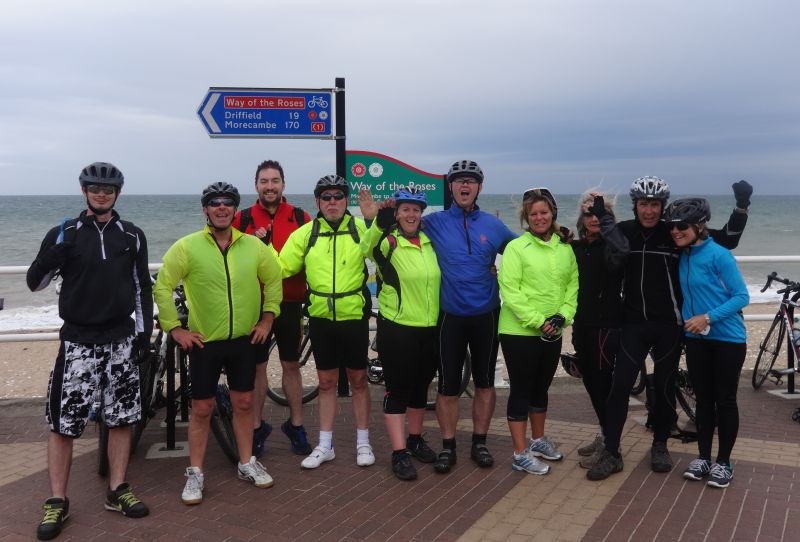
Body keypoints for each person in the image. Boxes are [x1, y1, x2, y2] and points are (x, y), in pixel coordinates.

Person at [587, 177, 752, 481]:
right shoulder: (624, 230)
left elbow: (725, 240)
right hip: (633, 323)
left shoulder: (674, 232)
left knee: (663, 390)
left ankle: (660, 444)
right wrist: (594, 216)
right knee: (619, 386)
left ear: (662, 207)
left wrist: (741, 207)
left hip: (670, 326)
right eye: (643, 204)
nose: (649, 211)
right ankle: (611, 451)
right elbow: (594, 242)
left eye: (654, 205)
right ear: (635, 205)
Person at [26, 162, 152, 540]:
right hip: (78, 341)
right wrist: (54, 254)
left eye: (108, 189)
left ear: (117, 193)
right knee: (63, 424)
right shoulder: (65, 232)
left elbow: (141, 285)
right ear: (84, 190)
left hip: (120, 341)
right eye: (95, 187)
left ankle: (117, 490)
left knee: (121, 419)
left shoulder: (132, 235)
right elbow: (35, 283)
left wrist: (142, 337)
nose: (101, 193)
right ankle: (57, 500)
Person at [154, 181, 283, 505]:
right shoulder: (187, 246)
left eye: (227, 203)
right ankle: (195, 473)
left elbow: (274, 278)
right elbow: (163, 286)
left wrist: (268, 318)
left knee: (243, 403)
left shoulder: (253, 247)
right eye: (215, 203)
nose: (221, 207)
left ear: (235, 209)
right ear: (205, 210)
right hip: (205, 343)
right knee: (201, 408)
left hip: (243, 339)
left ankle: (246, 462)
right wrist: (174, 329)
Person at [422, 160, 517, 473]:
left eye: (471, 181)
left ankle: (480, 442)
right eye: (459, 181)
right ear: (450, 187)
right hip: (449, 315)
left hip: (486, 315)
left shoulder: (493, 225)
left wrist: (560, 239)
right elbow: (401, 230)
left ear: (479, 187)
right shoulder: (433, 222)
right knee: (448, 386)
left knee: (485, 383)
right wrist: (377, 217)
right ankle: (448, 446)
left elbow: (523, 255)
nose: (465, 186)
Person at [279, 175, 375, 469]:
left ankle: (363, 442)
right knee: (325, 382)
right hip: (321, 317)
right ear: (317, 202)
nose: (332, 201)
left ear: (347, 200)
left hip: (354, 315)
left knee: (359, 380)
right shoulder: (306, 234)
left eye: (338, 196)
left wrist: (373, 222)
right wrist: (255, 246)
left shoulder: (361, 229)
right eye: (326, 197)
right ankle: (325, 445)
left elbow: (382, 251)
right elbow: (280, 267)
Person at [665, 198, 749, 488]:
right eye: (672, 226)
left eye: (682, 226)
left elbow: (741, 296)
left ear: (700, 226)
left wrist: (707, 318)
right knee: (703, 400)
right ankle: (703, 458)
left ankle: (723, 462)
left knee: (724, 400)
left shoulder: (719, 255)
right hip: (697, 340)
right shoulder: (683, 255)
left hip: (728, 339)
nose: (675, 231)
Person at [232, 160, 313, 457]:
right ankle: (255, 427)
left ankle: (297, 425)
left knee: (292, 366)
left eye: (275, 181)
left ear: (283, 185)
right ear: (256, 185)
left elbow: (312, 258)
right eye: (264, 181)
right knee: (258, 368)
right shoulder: (240, 220)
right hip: (254, 305)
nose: (270, 186)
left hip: (290, 303)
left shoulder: (301, 217)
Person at [361, 188, 440, 480]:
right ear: (397, 213)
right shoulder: (387, 241)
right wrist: (378, 223)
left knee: (421, 388)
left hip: (429, 326)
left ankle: (415, 439)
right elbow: (364, 249)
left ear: (422, 214)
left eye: (416, 210)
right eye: (405, 209)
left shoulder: (431, 243)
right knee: (398, 390)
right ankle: (398, 452)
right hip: (397, 327)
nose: (411, 215)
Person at [498, 188, 578, 475]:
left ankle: (538, 440)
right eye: (533, 214)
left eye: (544, 212)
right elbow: (510, 290)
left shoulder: (565, 247)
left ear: (552, 213)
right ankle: (520, 454)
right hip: (518, 331)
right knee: (521, 390)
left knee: (541, 388)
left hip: (553, 330)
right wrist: (538, 320)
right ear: (525, 218)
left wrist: (563, 316)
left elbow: (572, 286)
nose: (539, 217)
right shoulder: (516, 248)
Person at [569, 189, 626, 469]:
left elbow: (622, 254)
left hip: (607, 327)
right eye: (589, 212)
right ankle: (605, 435)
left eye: (600, 213)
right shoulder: (577, 248)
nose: (594, 218)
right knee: (591, 383)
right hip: (582, 324)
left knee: (604, 387)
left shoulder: (614, 246)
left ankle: (612, 446)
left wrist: (607, 223)